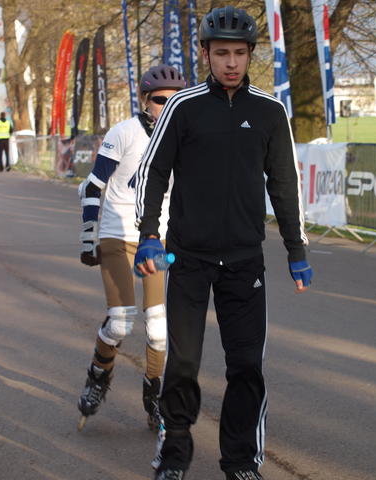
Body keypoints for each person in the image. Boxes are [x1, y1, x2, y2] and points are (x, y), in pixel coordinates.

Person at [134, 7, 313, 480]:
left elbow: (285, 185)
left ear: (250, 54)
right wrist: (148, 234)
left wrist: (296, 250)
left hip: (243, 262)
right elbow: (153, 172)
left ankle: (241, 462)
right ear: (205, 54)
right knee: (183, 364)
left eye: (238, 53)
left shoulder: (269, 111)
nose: (231, 63)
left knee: (247, 367)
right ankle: (173, 457)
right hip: (189, 259)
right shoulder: (183, 106)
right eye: (221, 53)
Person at [76, 65, 186, 432]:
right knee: (121, 322)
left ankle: (154, 395)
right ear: (144, 101)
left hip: (157, 239)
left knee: (158, 327)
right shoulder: (124, 133)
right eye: (160, 100)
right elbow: (93, 186)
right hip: (117, 234)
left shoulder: (185, 137)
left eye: (174, 100)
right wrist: (88, 235)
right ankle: (97, 375)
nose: (166, 106)